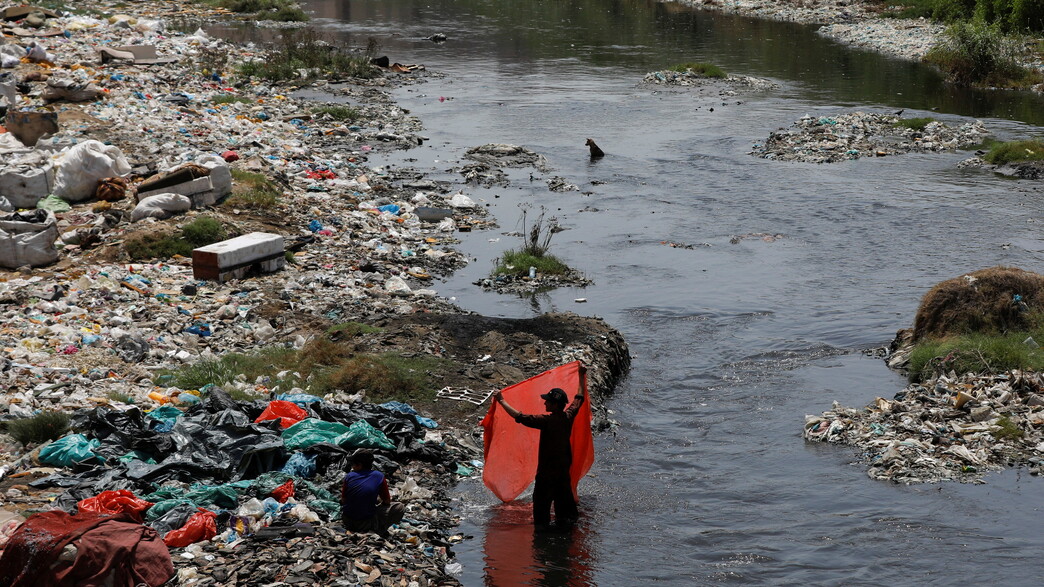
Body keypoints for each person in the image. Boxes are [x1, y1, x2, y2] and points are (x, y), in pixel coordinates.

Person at [494, 364, 587, 529]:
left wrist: (501, 401)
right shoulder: (568, 416)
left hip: (546, 476)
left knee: (541, 519)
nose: (544, 402)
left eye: (547, 401)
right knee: (565, 518)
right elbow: (579, 397)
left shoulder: (546, 421)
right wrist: (581, 374)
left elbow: (520, 417)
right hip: (563, 474)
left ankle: (543, 546)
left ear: (554, 404)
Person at [340, 449, 404, 538]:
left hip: (347, 520)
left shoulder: (349, 476)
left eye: (353, 464)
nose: (352, 467)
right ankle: (379, 530)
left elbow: (343, 500)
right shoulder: (379, 476)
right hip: (365, 523)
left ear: (360, 465)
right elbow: (387, 501)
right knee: (399, 507)